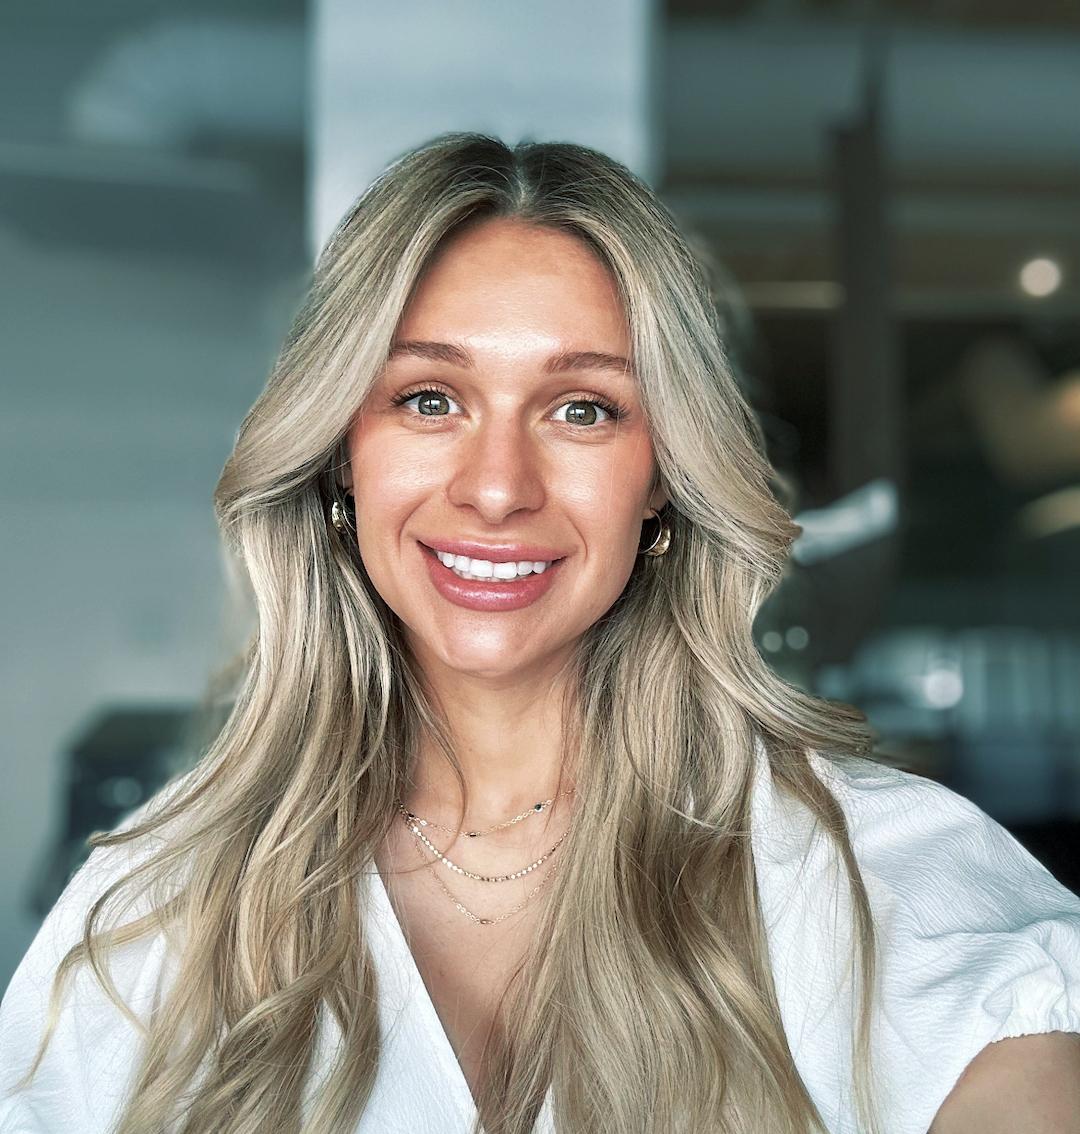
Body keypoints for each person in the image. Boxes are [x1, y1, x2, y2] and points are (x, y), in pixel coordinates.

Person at [2, 132, 1079, 1134]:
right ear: (340, 454)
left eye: (582, 409)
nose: (498, 488)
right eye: (430, 399)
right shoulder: (154, 910)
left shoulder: (898, 889)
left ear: (662, 479)